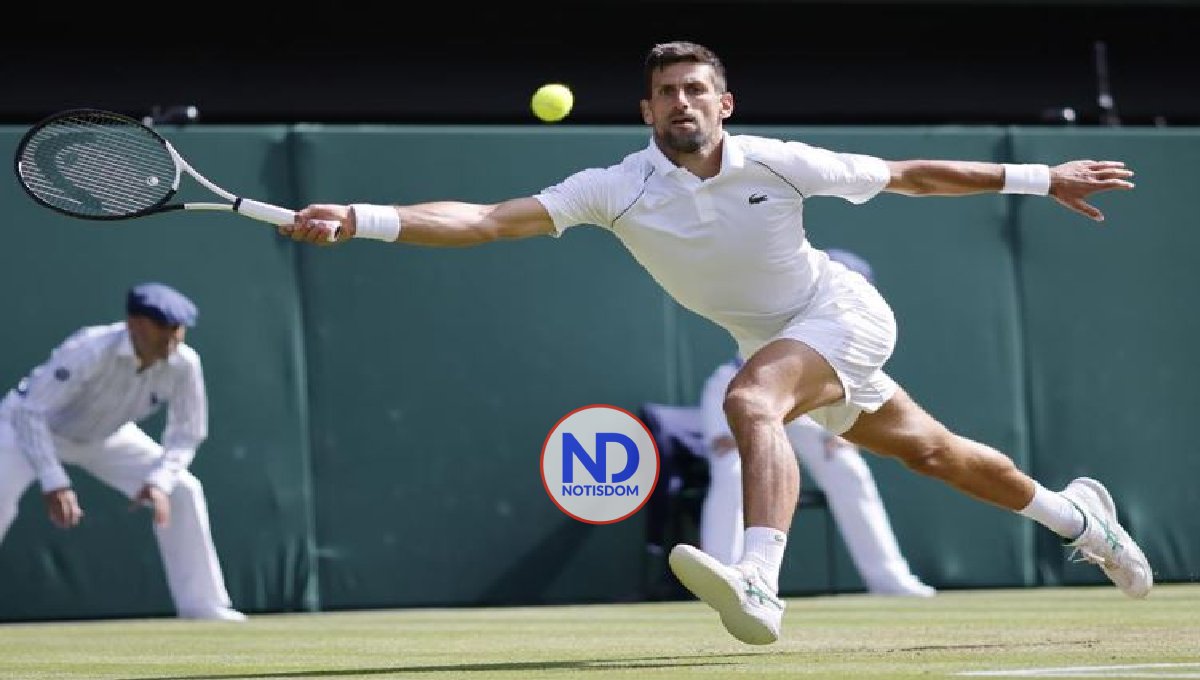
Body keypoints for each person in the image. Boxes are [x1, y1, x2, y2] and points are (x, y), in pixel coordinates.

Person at [280, 40, 1150, 645]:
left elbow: (907, 176)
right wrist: (364, 218)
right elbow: (483, 221)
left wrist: (1043, 178)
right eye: (667, 93)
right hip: (780, 336)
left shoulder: (778, 159)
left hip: (840, 312)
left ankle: (759, 582)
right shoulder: (614, 186)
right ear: (648, 110)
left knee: (749, 400)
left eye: (698, 90)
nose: (683, 102)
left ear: (724, 104)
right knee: (935, 455)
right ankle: (1082, 518)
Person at [0, 283, 245, 622]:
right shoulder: (89, 349)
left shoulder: (185, 363)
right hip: (26, 430)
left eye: (179, 329)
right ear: (136, 325)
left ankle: (203, 606)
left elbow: (187, 432)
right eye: (165, 328)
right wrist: (53, 480)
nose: (174, 338)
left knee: (183, 490)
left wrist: (159, 481)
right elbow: (30, 413)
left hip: (105, 437)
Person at [699, 248, 934, 597]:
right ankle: (722, 576)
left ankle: (888, 576)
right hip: (741, 388)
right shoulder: (792, 294)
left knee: (846, 467)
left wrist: (845, 432)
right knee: (731, 467)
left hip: (809, 398)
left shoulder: (856, 324)